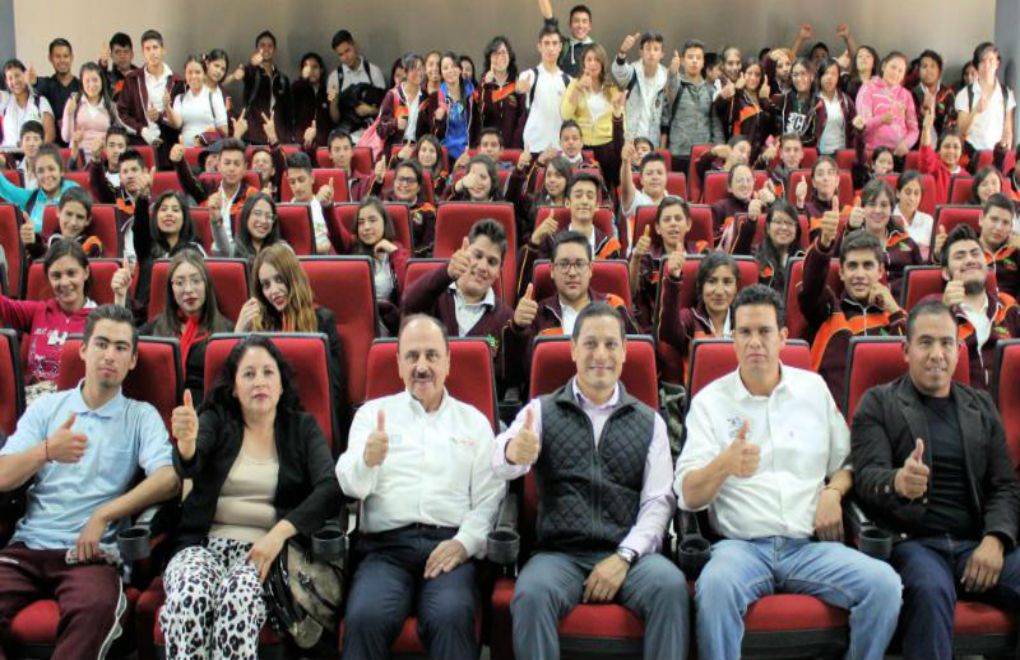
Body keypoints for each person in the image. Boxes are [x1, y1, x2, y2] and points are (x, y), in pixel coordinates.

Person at [676, 284, 902, 660]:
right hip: (740, 548)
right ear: (732, 340)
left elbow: (848, 463)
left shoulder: (813, 389)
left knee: (885, 586)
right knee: (715, 588)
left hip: (808, 546)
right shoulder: (709, 402)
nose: (754, 343)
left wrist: (833, 494)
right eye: (744, 333)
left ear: (783, 337)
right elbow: (688, 494)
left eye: (764, 332)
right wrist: (724, 465)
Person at [494, 302, 689, 660]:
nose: (601, 355)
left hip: (630, 554)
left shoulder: (650, 422)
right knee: (530, 595)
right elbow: (500, 461)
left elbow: (658, 503)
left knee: (671, 586)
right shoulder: (541, 410)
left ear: (625, 352)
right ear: (573, 349)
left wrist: (624, 557)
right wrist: (512, 452)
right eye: (590, 344)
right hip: (560, 554)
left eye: (611, 345)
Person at [0, 304, 180, 660]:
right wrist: (46, 451)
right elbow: (3, 476)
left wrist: (104, 515)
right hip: (28, 547)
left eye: (120, 347)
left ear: (132, 360)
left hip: (90, 556)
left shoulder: (139, 416)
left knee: (95, 612)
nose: (109, 355)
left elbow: (168, 479)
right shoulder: (47, 408)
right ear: (82, 349)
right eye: (101, 344)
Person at [854, 302, 1020, 660]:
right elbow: (866, 477)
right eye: (925, 343)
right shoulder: (879, 403)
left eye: (946, 343)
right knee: (929, 593)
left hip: (974, 541)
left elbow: (1004, 485)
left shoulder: (980, 405)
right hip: (914, 542)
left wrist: (996, 540)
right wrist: (897, 481)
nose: (937, 354)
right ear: (905, 350)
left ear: (958, 350)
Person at [160, 334, 341, 660]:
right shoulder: (216, 419)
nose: (259, 381)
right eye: (248, 374)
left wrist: (279, 534)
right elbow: (191, 462)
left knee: (237, 601)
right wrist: (186, 446)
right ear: (233, 387)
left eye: (268, 373)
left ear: (282, 385)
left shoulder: (302, 428)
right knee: (189, 599)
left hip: (265, 554)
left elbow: (329, 489)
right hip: (202, 546)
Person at [336, 314, 505, 660]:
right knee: (364, 618)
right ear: (398, 364)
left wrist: (464, 543)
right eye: (412, 356)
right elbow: (350, 486)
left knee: (451, 617)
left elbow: (490, 499)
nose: (422, 366)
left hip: (450, 547)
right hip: (384, 550)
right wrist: (367, 460)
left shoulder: (474, 421)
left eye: (431, 355)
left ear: (448, 362)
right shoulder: (372, 415)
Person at [800, 211, 905, 407]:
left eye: (867, 266)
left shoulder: (894, 314)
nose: (859, 274)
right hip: (833, 417)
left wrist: (894, 311)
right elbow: (810, 287)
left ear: (880, 271)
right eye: (852, 266)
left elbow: (913, 360)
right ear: (841, 271)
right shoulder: (828, 309)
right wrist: (823, 245)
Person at [235, 243, 345, 408]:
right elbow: (238, 385)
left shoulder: (322, 320)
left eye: (279, 279)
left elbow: (333, 390)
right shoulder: (260, 325)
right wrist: (238, 333)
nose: (274, 291)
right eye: (266, 284)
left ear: (293, 278)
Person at [401, 218, 514, 355]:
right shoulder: (436, 294)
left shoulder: (506, 318)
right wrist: (446, 273)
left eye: (492, 262)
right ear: (463, 252)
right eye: (477, 256)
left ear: (499, 272)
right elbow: (408, 304)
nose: (483, 267)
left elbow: (510, 372)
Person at [135, 250, 229, 405]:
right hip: (161, 409)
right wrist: (120, 297)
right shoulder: (156, 326)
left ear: (206, 284)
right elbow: (126, 343)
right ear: (171, 290)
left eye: (196, 281)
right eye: (179, 283)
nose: (188, 289)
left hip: (207, 411)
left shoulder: (225, 330)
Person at [936, 224, 1020, 389]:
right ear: (946, 273)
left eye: (975, 253)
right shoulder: (933, 309)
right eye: (960, 256)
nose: (970, 260)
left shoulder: (1008, 306)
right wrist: (945, 313)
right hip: (958, 408)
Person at [516, 172, 622, 298]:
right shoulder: (551, 241)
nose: (584, 201)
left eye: (590, 196)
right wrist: (535, 241)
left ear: (597, 206)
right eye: (578, 196)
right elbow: (527, 288)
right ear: (567, 203)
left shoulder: (610, 245)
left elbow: (615, 291)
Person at [657, 251, 743, 379]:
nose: (719, 291)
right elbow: (668, 332)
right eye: (712, 281)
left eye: (727, 282)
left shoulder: (744, 322)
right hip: (697, 395)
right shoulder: (690, 319)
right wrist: (673, 281)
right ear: (701, 286)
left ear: (736, 288)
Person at [629, 196, 710, 330]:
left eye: (678, 219)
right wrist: (636, 258)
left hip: (697, 326)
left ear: (688, 224)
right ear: (658, 228)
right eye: (667, 220)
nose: (673, 223)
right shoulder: (647, 256)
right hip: (657, 328)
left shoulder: (703, 252)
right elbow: (631, 293)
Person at [169, 140, 259, 254]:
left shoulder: (252, 195)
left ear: (245, 168)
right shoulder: (209, 188)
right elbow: (190, 185)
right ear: (219, 166)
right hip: (208, 255)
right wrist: (179, 162)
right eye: (227, 163)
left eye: (237, 164)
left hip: (240, 254)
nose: (231, 168)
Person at [560, 45, 625, 192]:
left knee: (606, 191)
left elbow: (621, 122)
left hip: (608, 148)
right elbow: (565, 115)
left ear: (602, 64)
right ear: (583, 63)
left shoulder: (612, 87)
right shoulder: (574, 84)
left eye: (597, 60)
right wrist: (578, 88)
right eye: (589, 59)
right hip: (582, 147)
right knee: (582, 189)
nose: (593, 63)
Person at [115, 30, 184, 166]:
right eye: (148, 49)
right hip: (141, 143)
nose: (152, 52)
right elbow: (121, 113)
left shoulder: (176, 80)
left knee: (167, 183)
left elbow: (180, 119)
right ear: (143, 53)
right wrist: (143, 131)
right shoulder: (133, 79)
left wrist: (160, 117)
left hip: (169, 144)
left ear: (163, 50)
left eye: (155, 47)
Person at [844, 179, 922, 296]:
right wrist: (850, 228)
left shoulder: (906, 242)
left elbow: (922, 278)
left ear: (891, 209)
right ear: (862, 208)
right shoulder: (851, 240)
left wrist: (936, 256)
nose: (878, 210)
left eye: (884, 205)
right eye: (872, 204)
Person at [345, 197, 409, 334]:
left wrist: (394, 252)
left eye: (372, 220)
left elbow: (407, 289)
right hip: (359, 326)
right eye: (361, 223)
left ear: (384, 223)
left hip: (388, 326)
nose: (366, 227)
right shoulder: (353, 250)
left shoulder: (398, 251)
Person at [664, 40, 722, 175]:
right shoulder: (677, 85)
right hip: (678, 152)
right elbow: (670, 88)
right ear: (683, 61)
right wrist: (672, 73)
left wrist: (718, 149)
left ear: (703, 63)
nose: (694, 61)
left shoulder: (711, 90)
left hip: (704, 153)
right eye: (690, 57)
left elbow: (716, 124)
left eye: (698, 57)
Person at [612, 31, 674, 147]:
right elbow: (619, 73)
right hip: (630, 138)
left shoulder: (666, 77)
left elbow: (666, 115)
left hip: (652, 141)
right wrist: (622, 52)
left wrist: (662, 146)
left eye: (656, 49)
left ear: (662, 54)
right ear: (641, 52)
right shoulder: (633, 71)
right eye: (648, 49)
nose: (651, 53)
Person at [0, 143, 79, 233]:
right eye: (41, 171)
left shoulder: (73, 191)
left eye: (51, 169)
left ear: (61, 170)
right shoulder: (31, 198)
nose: (46, 175)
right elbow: (4, 187)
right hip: (35, 246)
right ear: (35, 175)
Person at [416, 52, 479, 162]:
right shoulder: (434, 99)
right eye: (445, 68)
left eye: (453, 66)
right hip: (444, 155)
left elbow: (478, 128)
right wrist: (438, 121)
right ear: (441, 73)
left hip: (468, 154)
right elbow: (430, 134)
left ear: (460, 69)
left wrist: (473, 151)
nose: (450, 71)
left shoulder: (472, 96)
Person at [855, 51, 918, 160]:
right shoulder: (868, 88)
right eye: (893, 67)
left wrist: (906, 144)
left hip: (898, 156)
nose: (896, 73)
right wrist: (881, 120)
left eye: (900, 71)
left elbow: (914, 129)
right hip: (873, 155)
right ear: (884, 66)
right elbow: (862, 127)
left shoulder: (906, 95)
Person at [518, 24, 570, 155]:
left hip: (560, 148)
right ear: (539, 46)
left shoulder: (567, 80)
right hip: (534, 146)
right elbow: (520, 86)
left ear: (560, 47)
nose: (550, 48)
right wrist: (520, 87)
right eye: (546, 43)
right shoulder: (529, 75)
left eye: (554, 43)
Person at [233, 30, 291, 145]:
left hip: (277, 136)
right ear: (256, 49)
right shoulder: (252, 71)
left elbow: (288, 111)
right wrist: (250, 65)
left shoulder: (282, 79)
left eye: (270, 46)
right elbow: (240, 74)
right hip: (254, 136)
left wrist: (287, 135)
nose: (266, 49)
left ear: (274, 50)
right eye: (262, 45)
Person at [955, 42, 1015, 154]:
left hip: (997, 154)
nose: (987, 65)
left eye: (991, 60)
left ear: (997, 63)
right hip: (972, 154)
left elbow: (1008, 130)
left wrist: (1005, 151)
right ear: (976, 65)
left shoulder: (1006, 93)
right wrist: (975, 111)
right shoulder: (965, 94)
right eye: (982, 61)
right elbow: (961, 130)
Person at [733, 199, 804, 292]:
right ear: (768, 228)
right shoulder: (755, 256)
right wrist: (751, 223)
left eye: (789, 223)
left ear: (796, 230)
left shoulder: (804, 259)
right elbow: (738, 261)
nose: (784, 227)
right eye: (778, 222)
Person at [326, 29, 386, 139]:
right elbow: (334, 119)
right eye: (340, 54)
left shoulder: (373, 72)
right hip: (346, 137)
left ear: (354, 45)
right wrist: (333, 102)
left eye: (347, 51)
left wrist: (370, 110)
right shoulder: (334, 78)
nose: (345, 57)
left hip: (373, 134)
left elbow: (386, 108)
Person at [22, 187, 102, 260]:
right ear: (58, 212)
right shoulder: (49, 241)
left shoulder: (92, 244)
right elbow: (40, 251)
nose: (73, 222)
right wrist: (32, 242)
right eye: (68, 214)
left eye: (80, 217)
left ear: (88, 220)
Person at [165, 55, 229, 147]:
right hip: (186, 153)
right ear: (185, 75)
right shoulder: (180, 98)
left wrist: (203, 139)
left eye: (197, 72)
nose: (193, 76)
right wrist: (167, 107)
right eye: (189, 72)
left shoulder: (214, 97)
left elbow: (224, 131)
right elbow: (177, 124)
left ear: (204, 74)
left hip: (208, 154)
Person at [60, 62, 118, 163]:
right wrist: (70, 114)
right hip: (78, 158)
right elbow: (66, 137)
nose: (91, 84)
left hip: (103, 159)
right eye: (87, 81)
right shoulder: (74, 102)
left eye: (95, 80)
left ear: (101, 81)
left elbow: (117, 135)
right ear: (82, 83)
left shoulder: (111, 106)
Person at [283, 151, 335, 254]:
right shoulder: (284, 212)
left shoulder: (326, 207)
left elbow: (337, 244)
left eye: (301, 180)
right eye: (292, 182)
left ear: (312, 178)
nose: (297, 187)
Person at [31, 38, 81, 144]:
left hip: (77, 146)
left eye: (66, 56)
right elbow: (34, 83)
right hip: (53, 149)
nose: (62, 60)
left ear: (72, 58)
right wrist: (31, 81)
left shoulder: (82, 86)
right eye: (57, 56)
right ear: (50, 58)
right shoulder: (45, 85)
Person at [479, 36, 525, 149]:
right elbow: (480, 116)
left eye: (503, 53)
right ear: (489, 58)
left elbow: (522, 118)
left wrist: (515, 145)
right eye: (495, 54)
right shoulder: (483, 84)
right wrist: (486, 87)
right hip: (489, 148)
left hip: (513, 147)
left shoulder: (517, 83)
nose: (500, 57)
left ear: (510, 56)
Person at [377, 52, 427, 155]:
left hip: (417, 151)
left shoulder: (426, 98)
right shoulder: (393, 95)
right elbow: (380, 129)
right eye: (413, 69)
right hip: (396, 151)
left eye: (421, 68)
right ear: (405, 72)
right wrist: (394, 124)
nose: (419, 73)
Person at [1, 59, 56, 146]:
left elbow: (50, 135)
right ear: (6, 82)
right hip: (10, 156)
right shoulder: (5, 102)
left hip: (35, 156)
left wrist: (37, 154)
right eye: (10, 78)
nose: (14, 81)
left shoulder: (40, 102)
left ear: (25, 75)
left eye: (17, 76)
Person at [918, 104, 965, 207]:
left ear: (961, 151)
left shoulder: (966, 177)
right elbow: (926, 156)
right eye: (947, 146)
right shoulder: (934, 167)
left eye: (956, 147)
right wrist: (926, 129)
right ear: (938, 150)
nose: (951, 151)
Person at [537, 0, 595, 78]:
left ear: (590, 26)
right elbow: (550, 21)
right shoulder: (563, 45)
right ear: (570, 25)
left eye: (584, 21)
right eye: (576, 21)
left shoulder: (596, 49)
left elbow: (603, 78)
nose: (580, 25)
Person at [767, 57, 817, 145]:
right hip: (784, 150)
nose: (799, 79)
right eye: (795, 75)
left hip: (806, 151)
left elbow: (814, 137)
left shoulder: (818, 103)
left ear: (812, 76)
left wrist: (789, 140)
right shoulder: (784, 100)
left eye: (803, 74)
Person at [912, 49, 956, 146]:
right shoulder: (911, 93)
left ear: (939, 71)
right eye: (924, 66)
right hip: (917, 146)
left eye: (933, 66)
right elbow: (909, 125)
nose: (928, 70)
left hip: (943, 147)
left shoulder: (947, 93)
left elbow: (951, 123)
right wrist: (922, 113)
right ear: (918, 71)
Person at [814, 57, 857, 155]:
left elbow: (853, 130)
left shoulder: (846, 100)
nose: (829, 77)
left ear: (838, 77)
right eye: (825, 73)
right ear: (820, 76)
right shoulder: (813, 100)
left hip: (841, 152)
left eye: (833, 74)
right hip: (818, 153)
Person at [291, 51, 331, 148]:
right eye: (307, 67)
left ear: (321, 70)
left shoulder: (327, 91)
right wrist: (303, 78)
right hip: (300, 142)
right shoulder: (297, 89)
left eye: (315, 67)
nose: (311, 71)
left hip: (323, 144)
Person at [895, 170, 936, 260]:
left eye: (916, 193)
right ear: (898, 193)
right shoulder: (888, 218)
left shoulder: (928, 220)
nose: (912, 198)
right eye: (908, 192)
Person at [230, 192, 281, 261]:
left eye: (269, 216)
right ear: (246, 216)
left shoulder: (283, 251)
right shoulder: (233, 249)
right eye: (257, 213)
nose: (263, 221)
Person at [3, 120, 44, 190]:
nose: (31, 143)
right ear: (21, 144)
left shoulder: (47, 169)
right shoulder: (16, 170)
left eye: (36, 139)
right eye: (27, 139)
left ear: (42, 143)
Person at [99, 32, 138, 97]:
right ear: (111, 55)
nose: (122, 56)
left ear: (132, 54)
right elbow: (99, 77)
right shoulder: (108, 78)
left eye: (126, 51)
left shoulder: (141, 76)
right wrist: (103, 63)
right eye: (117, 52)